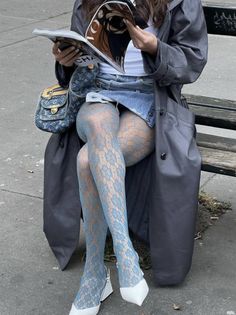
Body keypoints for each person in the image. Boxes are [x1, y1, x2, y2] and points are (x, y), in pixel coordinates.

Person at [51, 0, 208, 314]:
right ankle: (126, 256)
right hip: (99, 92)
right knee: (97, 126)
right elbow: (77, 53)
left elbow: (193, 60)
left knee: (86, 161)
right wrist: (65, 59)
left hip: (148, 96)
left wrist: (155, 49)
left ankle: (96, 273)